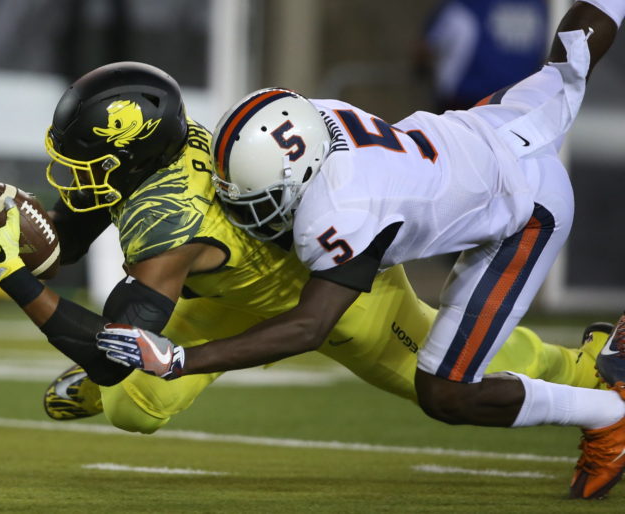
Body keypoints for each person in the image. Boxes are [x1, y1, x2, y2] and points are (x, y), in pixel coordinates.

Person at [97, 1, 625, 500]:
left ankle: (606, 415)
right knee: (572, 57)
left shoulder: (340, 209)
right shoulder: (311, 118)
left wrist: (182, 360)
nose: (242, 212)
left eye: (256, 201)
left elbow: (310, 327)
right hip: (489, 127)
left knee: (445, 390)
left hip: (526, 212)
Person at [0, 62, 603, 440]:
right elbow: (72, 236)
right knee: (134, 406)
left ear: (129, 157)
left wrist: (9, 272)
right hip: (233, 290)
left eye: (84, 162)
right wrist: (24, 230)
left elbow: (107, 356)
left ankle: (584, 366)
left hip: (327, 289)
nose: (71, 176)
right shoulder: (158, 155)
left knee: (439, 374)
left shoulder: (166, 225)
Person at [415, 0, 548, 112]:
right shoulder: (538, 5)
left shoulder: (469, 4)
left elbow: (426, 47)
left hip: (467, 101)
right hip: (520, 103)